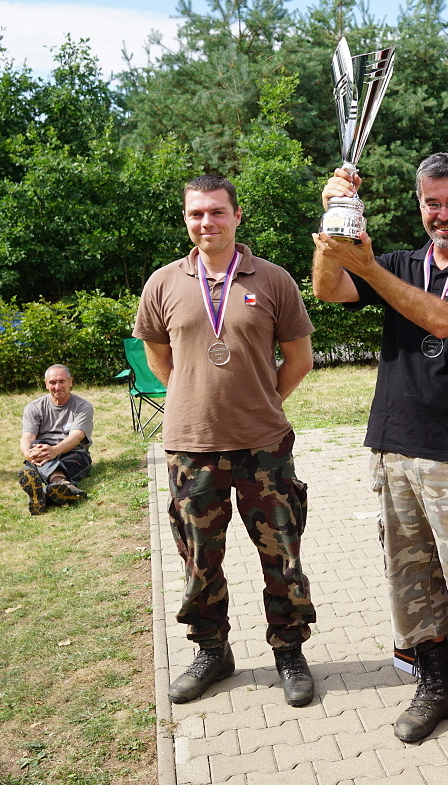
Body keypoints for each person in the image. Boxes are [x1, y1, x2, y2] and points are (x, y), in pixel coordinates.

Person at [312, 153, 448, 776]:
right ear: (420, 206)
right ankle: (437, 688)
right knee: (412, 583)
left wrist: (367, 267)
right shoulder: (400, 262)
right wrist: (333, 226)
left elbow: (443, 319)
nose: (443, 214)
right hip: (394, 445)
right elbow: (328, 289)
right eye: (433, 203)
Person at [134, 174, 317, 708]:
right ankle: (212, 651)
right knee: (199, 558)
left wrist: (261, 401)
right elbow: (158, 357)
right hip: (191, 446)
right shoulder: (163, 282)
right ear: (185, 219)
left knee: (282, 554)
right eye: (196, 213)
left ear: (237, 216)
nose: (206, 222)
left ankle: (289, 651)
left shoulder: (274, 280)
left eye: (217, 211)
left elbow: (300, 358)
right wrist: (193, 398)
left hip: (264, 445)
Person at [18, 364, 94, 516]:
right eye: (52, 383)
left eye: (62, 381)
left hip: (73, 452)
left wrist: (55, 450)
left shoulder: (83, 406)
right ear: (46, 384)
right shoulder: (33, 407)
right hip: (42, 453)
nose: (57, 387)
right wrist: (27, 454)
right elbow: (27, 436)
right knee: (36, 447)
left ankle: (43, 494)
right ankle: (61, 485)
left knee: (71, 459)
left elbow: (77, 436)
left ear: (71, 382)